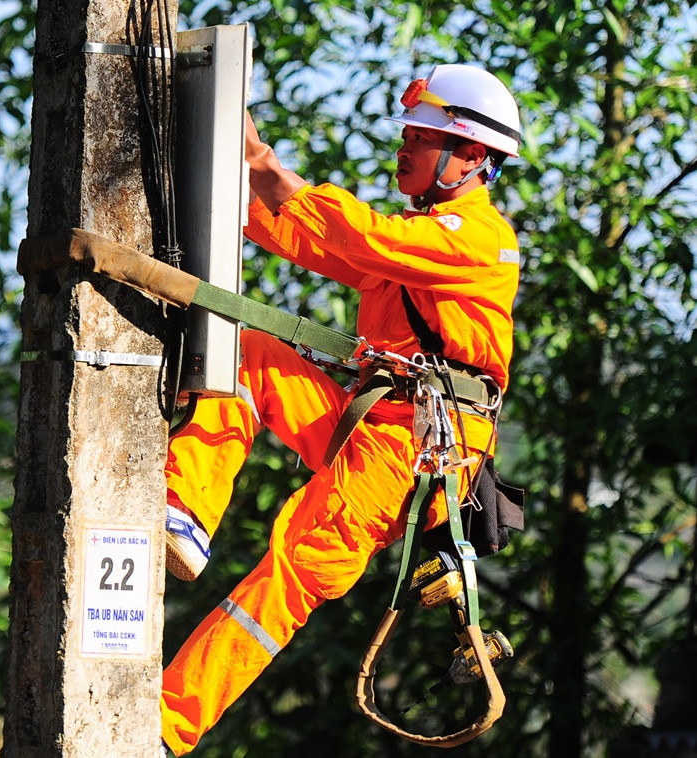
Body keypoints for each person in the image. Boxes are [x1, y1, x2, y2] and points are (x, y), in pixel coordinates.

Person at [160, 63, 524, 755]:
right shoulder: (425, 244)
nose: (406, 145)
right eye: (410, 132)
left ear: (472, 155)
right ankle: (186, 508)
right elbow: (315, 240)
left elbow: (362, 237)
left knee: (295, 567)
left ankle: (165, 727)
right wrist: (228, 180)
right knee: (243, 350)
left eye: (424, 135)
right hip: (373, 427)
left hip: (413, 454)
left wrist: (263, 162)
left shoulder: (477, 239)